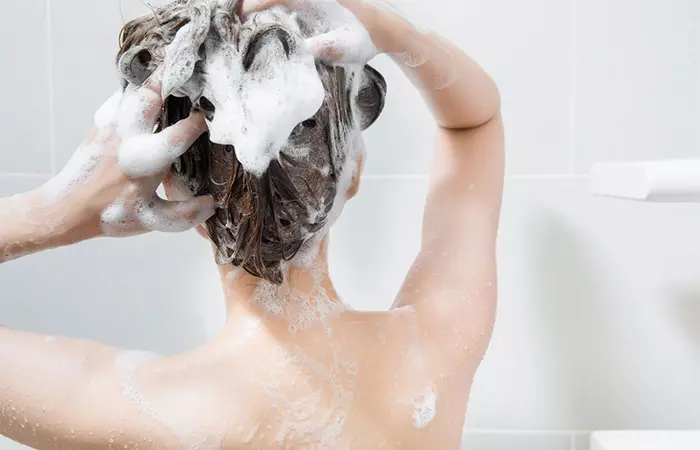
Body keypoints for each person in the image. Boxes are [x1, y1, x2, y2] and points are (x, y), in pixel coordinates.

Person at [0, 0, 504, 448]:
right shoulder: (435, 348)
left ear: (171, 186)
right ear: (352, 171)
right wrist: (383, 24)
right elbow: (476, 123)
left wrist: (52, 213)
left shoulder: (147, 414)